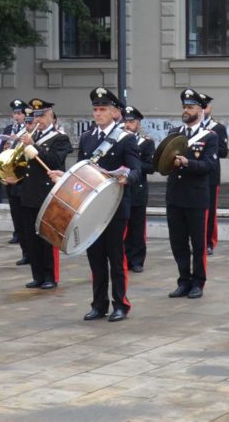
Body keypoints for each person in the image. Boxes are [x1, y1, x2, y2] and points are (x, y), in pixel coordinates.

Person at [53, 88, 140, 322]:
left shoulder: (126, 138)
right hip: (91, 208)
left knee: (116, 258)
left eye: (102, 109)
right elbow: (82, 171)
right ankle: (99, 304)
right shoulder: (87, 138)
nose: (98, 113)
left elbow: (137, 169)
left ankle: (120, 304)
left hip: (115, 207)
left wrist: (127, 177)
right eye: (95, 109)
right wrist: (64, 177)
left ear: (114, 112)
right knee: (96, 258)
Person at [165, 89, 220, 299]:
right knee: (178, 243)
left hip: (196, 197)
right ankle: (183, 281)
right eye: (184, 107)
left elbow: (209, 166)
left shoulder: (210, 136)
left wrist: (187, 163)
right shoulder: (174, 133)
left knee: (198, 244)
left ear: (200, 110)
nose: (186, 111)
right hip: (175, 196)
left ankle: (198, 282)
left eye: (190, 107)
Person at [16, 98, 70, 290]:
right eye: (35, 116)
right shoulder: (31, 136)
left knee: (47, 237)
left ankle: (50, 276)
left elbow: (55, 161)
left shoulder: (59, 138)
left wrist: (34, 147)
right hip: (29, 192)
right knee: (31, 237)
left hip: (47, 193)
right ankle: (37, 275)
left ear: (50, 116)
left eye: (41, 116)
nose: (38, 120)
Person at [1, 99, 33, 264]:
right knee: (17, 218)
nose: (17, 116)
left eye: (19, 113)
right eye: (15, 113)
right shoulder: (9, 129)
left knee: (27, 221)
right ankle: (25, 252)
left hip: (24, 181)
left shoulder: (29, 134)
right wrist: (6, 147)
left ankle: (31, 253)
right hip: (11, 179)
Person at [124, 106, 155, 273]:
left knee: (137, 228)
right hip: (122, 188)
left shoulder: (146, 143)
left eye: (131, 121)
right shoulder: (119, 140)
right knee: (122, 227)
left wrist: (133, 164)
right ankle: (122, 258)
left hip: (138, 189)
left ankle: (136, 260)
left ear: (138, 123)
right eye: (126, 121)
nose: (128, 125)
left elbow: (151, 167)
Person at [198, 93, 228, 256]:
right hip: (195, 173)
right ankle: (197, 241)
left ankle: (209, 242)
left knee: (210, 211)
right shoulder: (192, 128)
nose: (203, 109)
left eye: (205, 106)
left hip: (211, 175)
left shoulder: (218, 128)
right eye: (200, 106)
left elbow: (223, 151)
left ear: (210, 108)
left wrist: (210, 143)